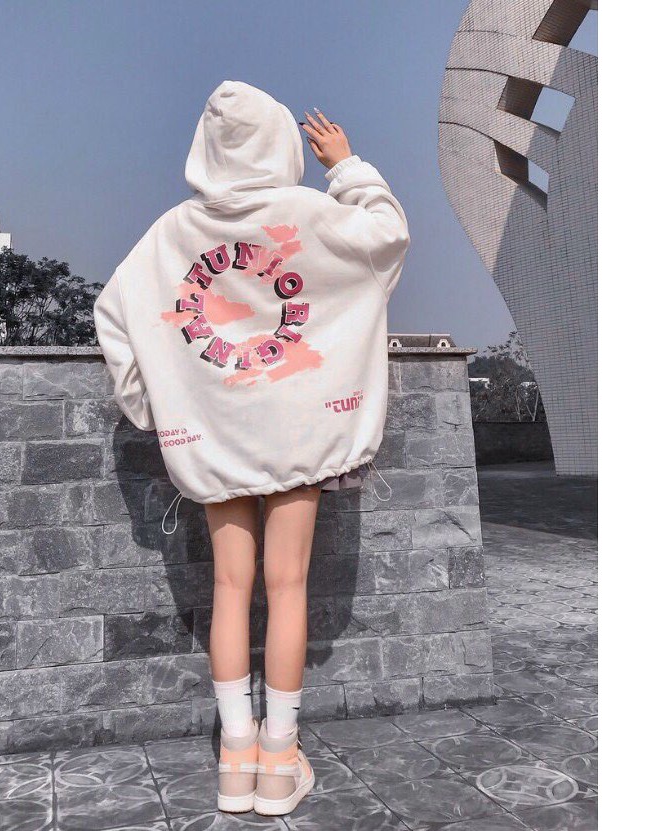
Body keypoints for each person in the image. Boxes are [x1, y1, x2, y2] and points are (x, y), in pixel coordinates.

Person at [94, 80, 409, 816]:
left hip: (213, 435)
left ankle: (235, 760)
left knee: (229, 589)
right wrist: (346, 165)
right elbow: (386, 237)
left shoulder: (170, 233)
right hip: (296, 428)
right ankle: (279, 757)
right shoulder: (310, 214)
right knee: (287, 584)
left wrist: (159, 406)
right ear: (278, 142)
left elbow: (114, 317)